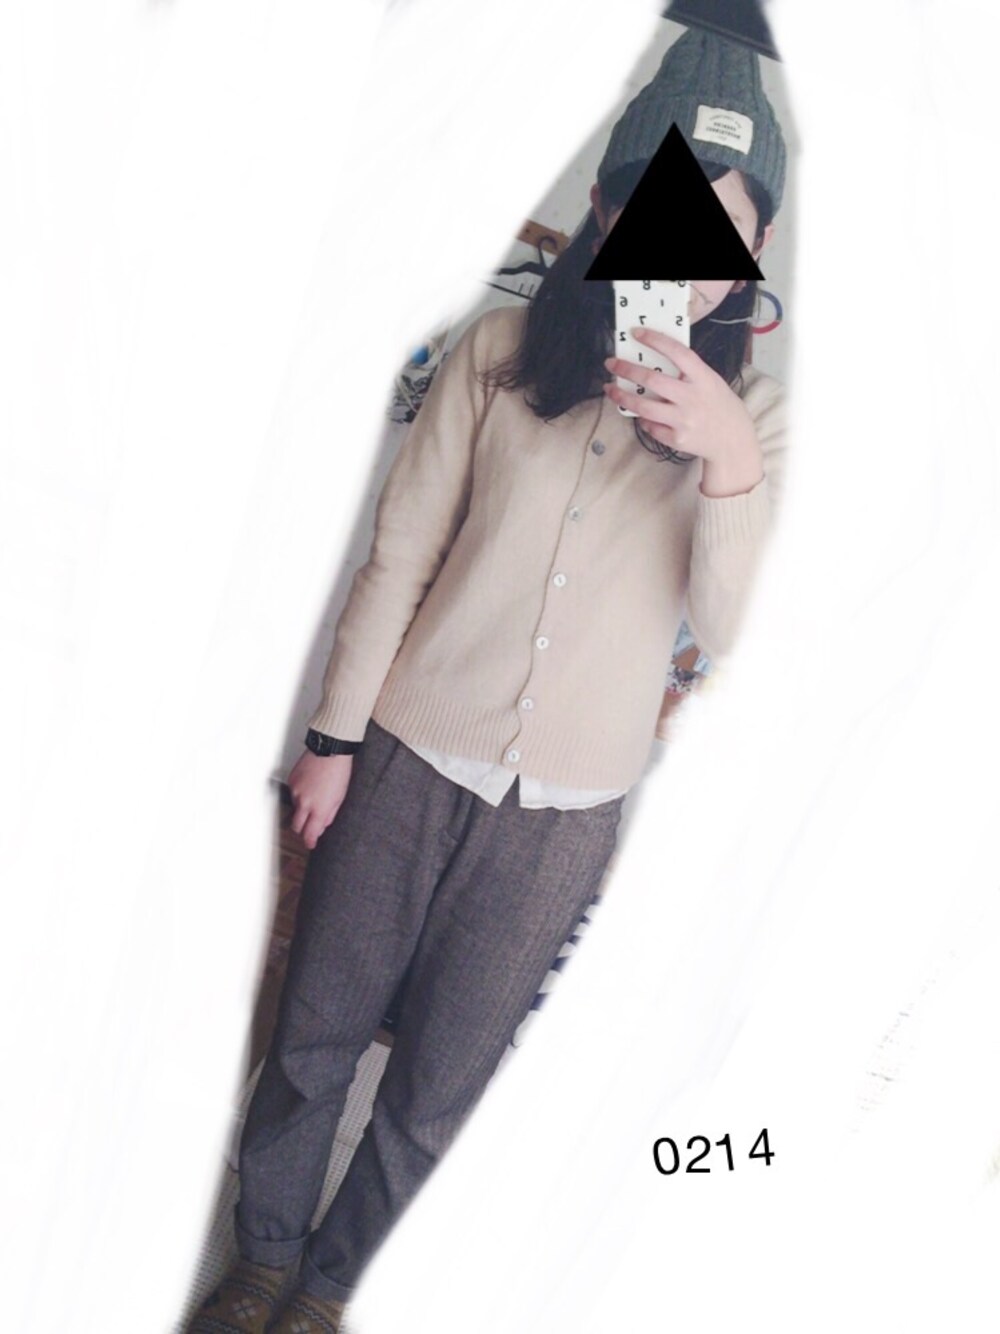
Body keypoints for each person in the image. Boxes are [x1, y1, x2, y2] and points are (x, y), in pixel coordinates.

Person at [186, 25, 789, 1334]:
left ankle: (330, 1290)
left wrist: (727, 459)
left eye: (723, 233)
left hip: (566, 813)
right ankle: (262, 1257)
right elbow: (400, 552)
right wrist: (333, 740)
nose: (684, 261)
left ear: (750, 255)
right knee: (314, 1033)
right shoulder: (501, 350)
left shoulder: (759, 423)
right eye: (662, 214)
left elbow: (732, 630)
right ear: (609, 209)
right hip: (406, 756)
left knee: (442, 1086)